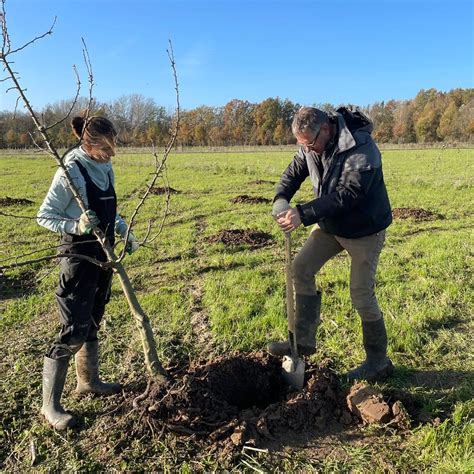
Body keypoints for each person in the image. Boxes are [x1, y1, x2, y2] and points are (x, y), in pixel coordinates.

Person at [269, 106, 393, 382]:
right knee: (300, 269)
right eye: (302, 145)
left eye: (310, 143)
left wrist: (303, 213)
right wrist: (281, 197)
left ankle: (378, 362)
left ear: (325, 129)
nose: (308, 150)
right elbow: (294, 170)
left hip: (364, 230)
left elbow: (350, 194)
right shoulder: (310, 144)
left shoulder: (362, 148)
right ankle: (303, 341)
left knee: (361, 295)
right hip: (331, 226)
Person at [37, 113, 139, 430]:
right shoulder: (71, 170)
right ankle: (50, 406)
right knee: (73, 329)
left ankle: (89, 382)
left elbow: (111, 209)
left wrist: (123, 230)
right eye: (106, 149)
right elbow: (45, 215)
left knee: (94, 319)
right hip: (78, 257)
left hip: (103, 254)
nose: (112, 155)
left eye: (114, 148)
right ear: (88, 144)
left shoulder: (105, 165)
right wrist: (76, 225)